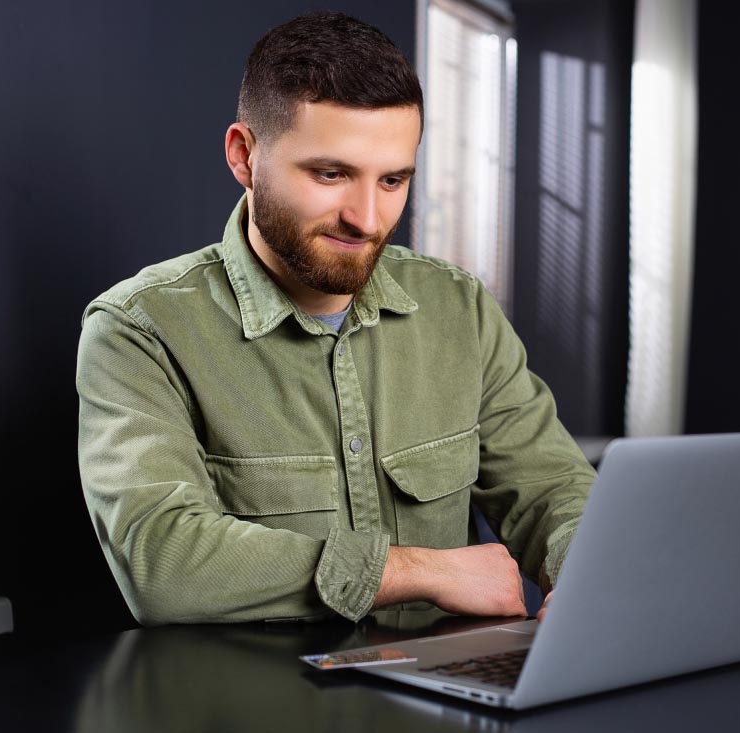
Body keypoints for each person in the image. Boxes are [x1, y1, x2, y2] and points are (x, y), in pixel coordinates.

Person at [76, 11, 595, 625]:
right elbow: (162, 559)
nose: (368, 219)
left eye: (394, 179)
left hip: (442, 705)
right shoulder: (138, 330)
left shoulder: (460, 309)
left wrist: (591, 576)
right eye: (331, 174)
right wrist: (413, 571)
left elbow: (553, 491)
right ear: (244, 157)